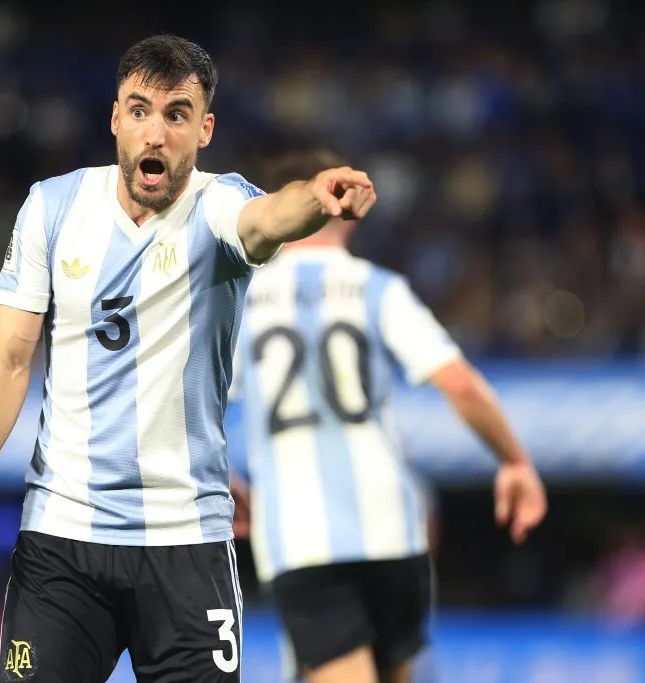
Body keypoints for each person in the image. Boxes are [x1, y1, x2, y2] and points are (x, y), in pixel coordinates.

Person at [0, 35, 377, 683]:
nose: (155, 133)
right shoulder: (52, 209)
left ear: (205, 129)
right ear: (115, 118)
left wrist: (316, 197)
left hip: (185, 543)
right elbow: (8, 361)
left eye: (177, 114)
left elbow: (270, 216)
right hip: (63, 539)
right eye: (140, 111)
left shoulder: (220, 207)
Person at [227, 149, 548, 683]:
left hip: (303, 535)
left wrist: (223, 481)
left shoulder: (242, 300)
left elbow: (194, 403)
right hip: (395, 532)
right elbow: (462, 384)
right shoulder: (379, 289)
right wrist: (514, 461)